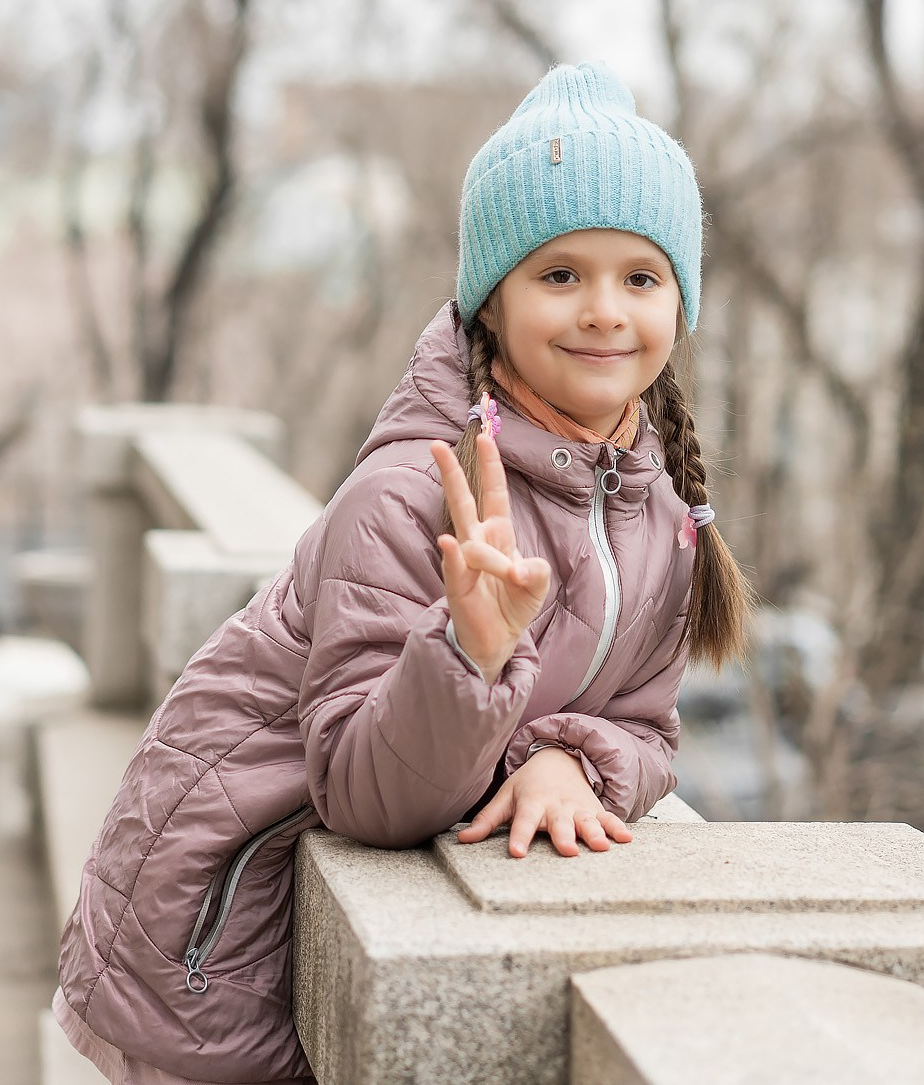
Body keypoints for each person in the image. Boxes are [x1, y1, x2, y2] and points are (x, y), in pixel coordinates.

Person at [53, 62, 751, 1085]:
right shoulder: (408, 496)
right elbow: (363, 795)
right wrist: (470, 651)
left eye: (638, 277)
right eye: (559, 275)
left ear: (677, 302)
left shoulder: (655, 518)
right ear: (491, 305)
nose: (604, 309)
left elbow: (648, 730)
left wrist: (572, 762)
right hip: (219, 938)